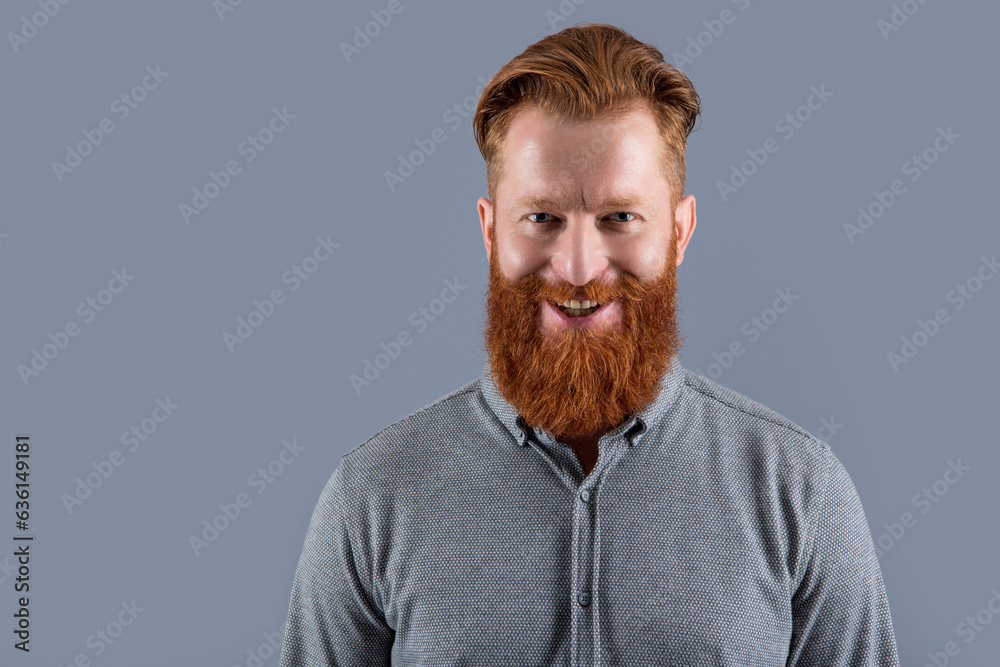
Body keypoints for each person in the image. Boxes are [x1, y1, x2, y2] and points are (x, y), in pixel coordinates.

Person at [278, 23, 900, 666]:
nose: (577, 266)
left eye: (620, 218)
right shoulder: (371, 497)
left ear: (679, 232)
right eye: (541, 218)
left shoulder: (800, 493)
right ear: (491, 233)